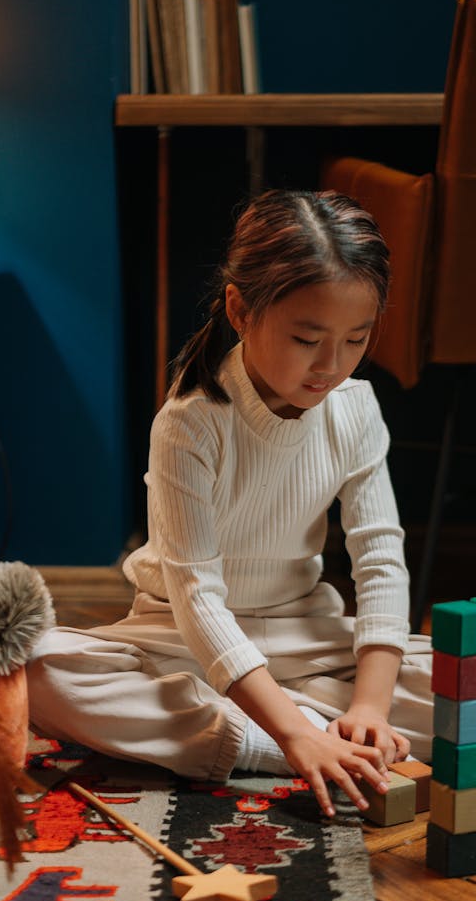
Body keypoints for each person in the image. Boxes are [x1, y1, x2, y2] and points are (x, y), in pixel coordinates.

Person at [27, 189, 433, 818]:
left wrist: (372, 708)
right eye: (307, 338)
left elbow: (379, 558)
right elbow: (196, 598)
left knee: (469, 684)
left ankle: (312, 728)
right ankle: (284, 740)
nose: (331, 366)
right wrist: (294, 733)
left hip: (304, 633)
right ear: (241, 310)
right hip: (180, 635)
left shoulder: (355, 407)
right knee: (36, 672)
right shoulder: (190, 422)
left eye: (356, 339)